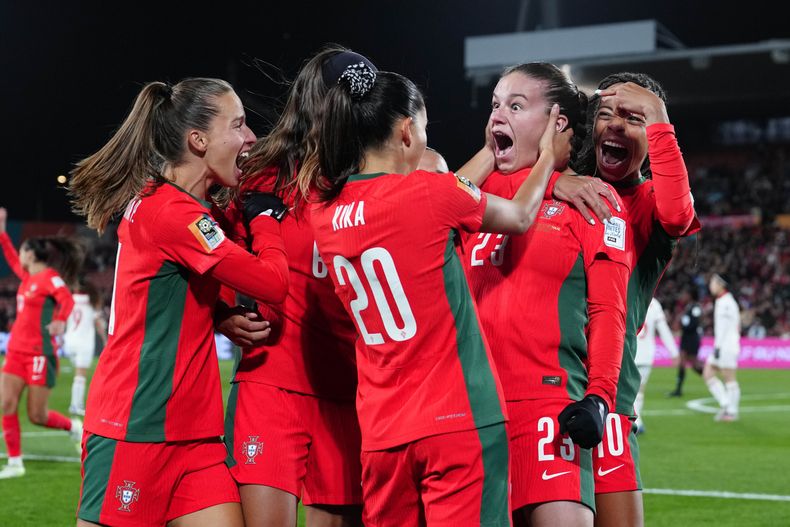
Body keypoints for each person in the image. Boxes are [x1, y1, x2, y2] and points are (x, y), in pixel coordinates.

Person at [302, 64, 570, 526]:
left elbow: (439, 199)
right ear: (407, 131)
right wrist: (548, 158)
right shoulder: (429, 193)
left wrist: (489, 152)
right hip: (459, 420)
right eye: (424, 128)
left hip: (383, 432)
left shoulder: (323, 211)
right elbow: (520, 216)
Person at [68, 77, 290, 527]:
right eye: (239, 125)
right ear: (199, 140)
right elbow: (272, 282)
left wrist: (219, 314)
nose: (250, 138)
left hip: (197, 439)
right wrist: (266, 218)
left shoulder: (177, 207)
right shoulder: (173, 214)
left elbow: (167, 291)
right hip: (136, 428)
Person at [461, 62, 632, 527]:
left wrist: (598, 397)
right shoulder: (474, 198)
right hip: (468, 418)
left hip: (550, 411)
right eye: (495, 105)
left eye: (516, 106)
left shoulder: (595, 203)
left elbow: (608, 311)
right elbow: (433, 200)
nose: (499, 115)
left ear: (558, 124)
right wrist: (548, 174)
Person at [219, 47, 371, 527]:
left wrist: (555, 180)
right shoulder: (263, 173)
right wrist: (222, 313)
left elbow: (457, 196)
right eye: (346, 98)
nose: (356, 111)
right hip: (271, 386)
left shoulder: (379, 179)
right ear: (317, 101)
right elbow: (203, 248)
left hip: (349, 394)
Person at [573, 72, 700, 527]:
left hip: (608, 401)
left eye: (634, 118)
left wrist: (660, 117)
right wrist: (557, 183)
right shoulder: (558, 189)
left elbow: (678, 213)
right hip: (536, 392)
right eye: (604, 114)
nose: (615, 125)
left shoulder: (648, 203)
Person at [0, 208, 83, 479]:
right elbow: (10, 254)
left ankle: (73, 426)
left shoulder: (50, 278)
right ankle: (15, 463)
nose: (20, 256)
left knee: (37, 415)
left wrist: (59, 319)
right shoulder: (27, 278)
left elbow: (67, 300)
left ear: (32, 254)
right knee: (6, 405)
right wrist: (2, 230)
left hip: (39, 354)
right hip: (15, 352)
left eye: (24, 251)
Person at [633, 297, 679, 434]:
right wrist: (673, 351)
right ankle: (637, 421)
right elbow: (663, 329)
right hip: (646, 355)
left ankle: (636, 422)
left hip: (630, 352)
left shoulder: (628, 296)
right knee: (639, 391)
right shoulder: (654, 304)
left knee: (628, 391)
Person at [63, 278, 106, 416]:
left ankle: (75, 404)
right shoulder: (91, 302)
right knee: (80, 375)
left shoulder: (70, 298)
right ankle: (76, 405)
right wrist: (105, 339)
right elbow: (98, 323)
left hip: (69, 341)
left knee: (78, 373)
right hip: (84, 342)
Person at [704, 273, 741, 421]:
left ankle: (731, 411)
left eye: (713, 282)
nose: (710, 285)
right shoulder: (723, 301)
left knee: (729, 378)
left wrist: (718, 347)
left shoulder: (726, 302)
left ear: (721, 284)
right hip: (722, 345)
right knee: (708, 373)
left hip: (727, 346)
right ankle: (726, 403)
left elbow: (725, 328)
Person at [668, 287, 704, 397]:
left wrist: (682, 324)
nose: (683, 297)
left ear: (690, 295)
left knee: (693, 364)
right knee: (684, 362)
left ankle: (709, 376)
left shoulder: (696, 307)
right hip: (686, 338)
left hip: (692, 338)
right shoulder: (688, 307)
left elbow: (694, 323)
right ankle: (678, 390)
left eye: (685, 294)